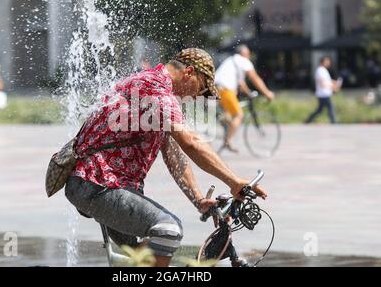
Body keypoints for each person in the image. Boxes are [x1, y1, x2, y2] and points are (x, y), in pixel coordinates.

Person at [64, 48, 268, 267]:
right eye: (200, 89)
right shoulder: (156, 88)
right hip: (98, 185)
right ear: (189, 72)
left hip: (106, 185)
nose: (197, 97)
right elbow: (190, 143)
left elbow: (173, 153)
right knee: (168, 231)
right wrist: (234, 181)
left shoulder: (157, 91)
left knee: (145, 256)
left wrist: (198, 199)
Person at [214, 45, 275, 153]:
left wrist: (248, 93)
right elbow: (255, 78)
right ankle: (227, 141)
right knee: (239, 115)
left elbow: (241, 83)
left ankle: (225, 128)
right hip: (225, 90)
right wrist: (267, 93)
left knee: (228, 116)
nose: (249, 55)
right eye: (248, 53)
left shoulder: (231, 60)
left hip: (215, 89)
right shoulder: (244, 61)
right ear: (244, 54)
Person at [305, 56, 341, 124]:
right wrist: (333, 88)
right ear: (323, 62)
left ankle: (308, 120)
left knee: (320, 110)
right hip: (323, 93)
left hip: (325, 93)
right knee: (330, 107)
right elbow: (322, 83)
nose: (328, 63)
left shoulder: (324, 70)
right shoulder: (320, 70)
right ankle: (334, 122)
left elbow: (327, 81)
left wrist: (335, 83)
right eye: (327, 61)